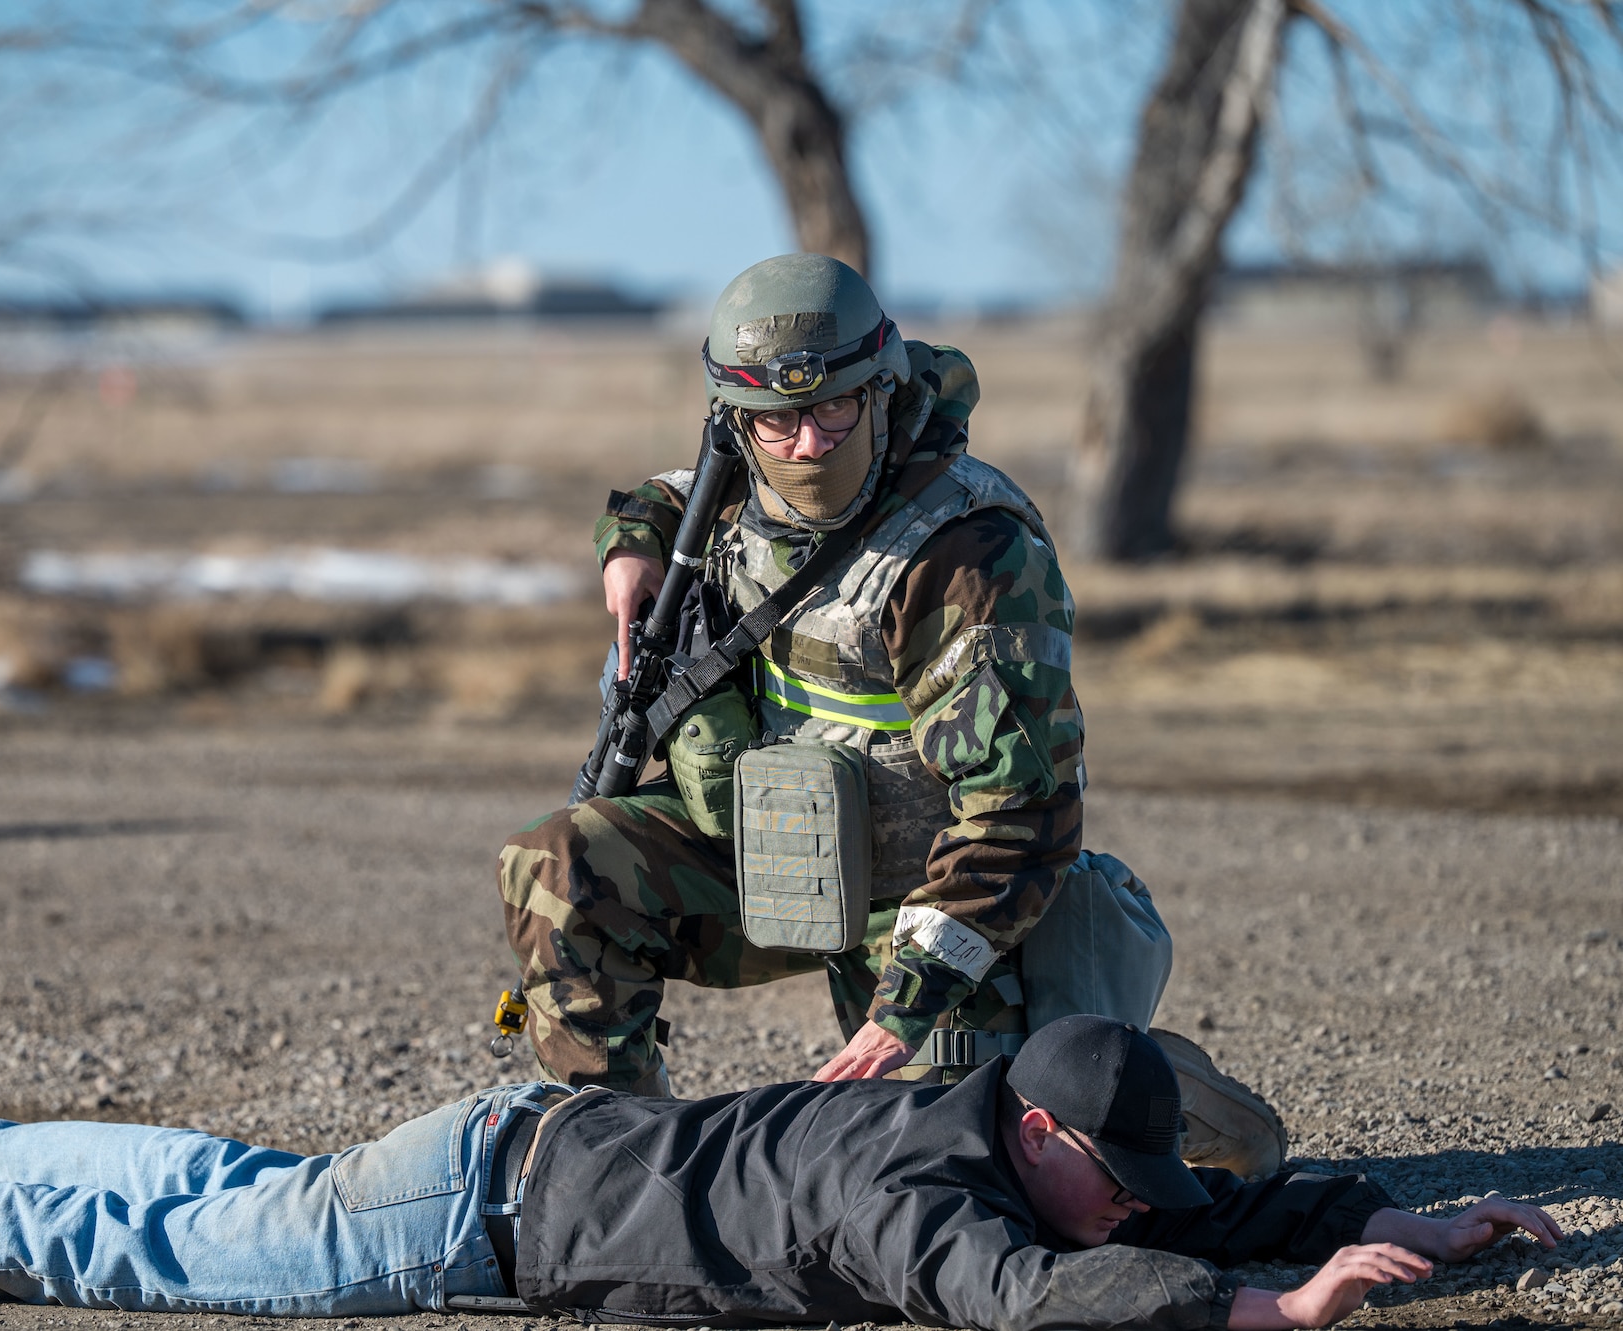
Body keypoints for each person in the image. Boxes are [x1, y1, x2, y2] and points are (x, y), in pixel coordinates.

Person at [498, 253, 1271, 1162]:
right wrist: (629, 548)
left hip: (930, 893)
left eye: (834, 407)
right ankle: (617, 1174)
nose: (810, 444)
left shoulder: (966, 555)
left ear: (882, 386)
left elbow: (1023, 814)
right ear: (736, 419)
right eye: (777, 420)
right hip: (773, 859)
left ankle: (1178, 1105)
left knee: (974, 1157)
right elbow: (668, 494)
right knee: (563, 870)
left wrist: (904, 1009)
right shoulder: (741, 474)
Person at [0, 1016, 1559, 1329]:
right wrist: (1258, 1303)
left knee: (218, 1172)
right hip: (459, 1212)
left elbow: (1157, 1209)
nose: (1140, 1200)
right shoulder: (910, 1195)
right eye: (1114, 1171)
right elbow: (1033, 1296)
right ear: (1036, 1126)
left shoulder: (1010, 1132)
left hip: (506, 1133)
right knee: (127, 1247)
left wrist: (1381, 1218)